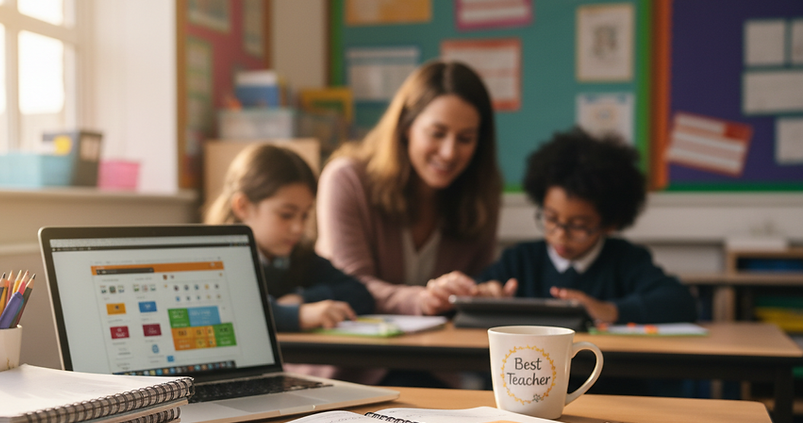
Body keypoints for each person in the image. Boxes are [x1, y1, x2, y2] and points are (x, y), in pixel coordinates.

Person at [315, 59, 504, 387]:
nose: (449, 152)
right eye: (437, 133)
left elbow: (474, 286)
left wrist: (484, 295)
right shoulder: (347, 179)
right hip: (351, 370)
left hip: (435, 368)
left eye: (466, 138)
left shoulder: (480, 195)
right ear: (406, 127)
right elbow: (351, 287)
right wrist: (422, 300)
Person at [475, 127, 698, 325]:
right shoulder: (520, 260)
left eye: (578, 226)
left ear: (609, 223)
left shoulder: (625, 260)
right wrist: (485, 295)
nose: (560, 235)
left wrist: (609, 310)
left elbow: (680, 302)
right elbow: (475, 294)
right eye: (551, 219)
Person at [205, 143, 374, 333]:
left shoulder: (298, 255)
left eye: (304, 215)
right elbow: (232, 308)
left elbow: (360, 294)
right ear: (242, 206)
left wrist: (301, 298)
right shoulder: (215, 261)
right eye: (286, 215)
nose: (298, 228)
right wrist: (297, 315)